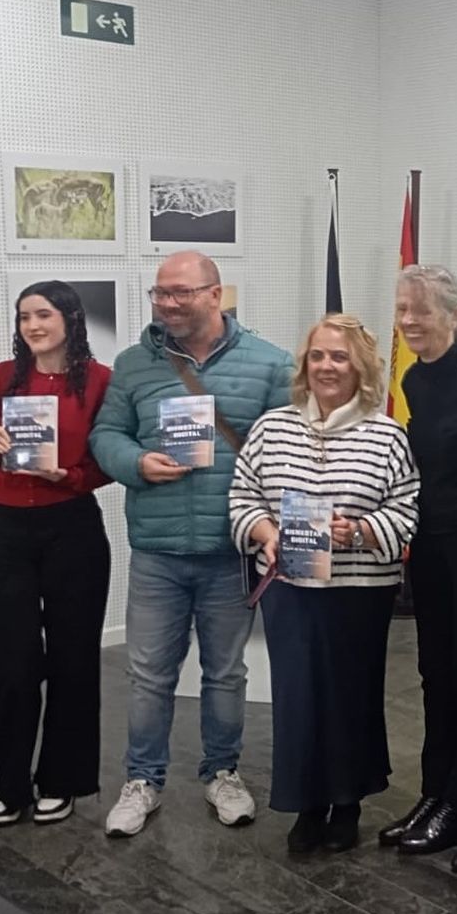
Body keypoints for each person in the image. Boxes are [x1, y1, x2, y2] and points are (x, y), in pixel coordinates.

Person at [90, 251, 292, 838]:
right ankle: (142, 780)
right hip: (158, 549)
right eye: (160, 293)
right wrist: (136, 462)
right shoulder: (133, 363)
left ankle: (222, 772)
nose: (168, 304)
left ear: (214, 294)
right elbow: (106, 433)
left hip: (230, 550)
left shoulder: (270, 363)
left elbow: (285, 448)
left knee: (225, 674)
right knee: (149, 675)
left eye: (181, 292)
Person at [229, 314, 419, 854]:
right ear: (304, 365)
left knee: (351, 696)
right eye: (318, 355)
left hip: (359, 591)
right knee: (298, 696)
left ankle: (347, 802)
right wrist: (266, 534)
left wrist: (357, 531)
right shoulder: (272, 427)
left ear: (360, 366)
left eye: (339, 356)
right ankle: (307, 804)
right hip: (289, 587)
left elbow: (406, 512)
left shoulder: (387, 435)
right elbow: (242, 497)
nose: (327, 366)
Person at [0, 281, 113, 826]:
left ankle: (61, 778)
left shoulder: (100, 380)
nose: (32, 325)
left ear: (70, 319)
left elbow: (107, 461)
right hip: (9, 527)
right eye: (24, 316)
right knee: (9, 660)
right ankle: (10, 781)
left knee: (73, 658)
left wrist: (69, 476)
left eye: (43, 315)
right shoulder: (3, 376)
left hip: (72, 525)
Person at [378, 266, 457, 855]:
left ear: (454, 314)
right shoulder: (413, 380)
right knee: (432, 673)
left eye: (421, 310)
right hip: (427, 543)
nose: (409, 321)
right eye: (403, 309)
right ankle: (433, 791)